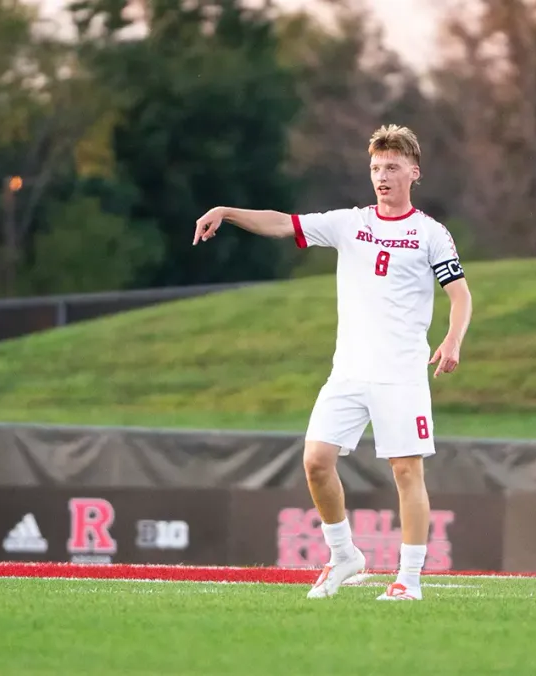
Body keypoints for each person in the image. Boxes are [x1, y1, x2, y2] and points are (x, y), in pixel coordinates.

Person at [193, 124, 472, 601]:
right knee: (316, 462)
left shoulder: (431, 234)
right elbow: (283, 222)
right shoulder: (351, 223)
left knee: (407, 472)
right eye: (375, 168)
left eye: (391, 167)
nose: (382, 176)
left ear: (413, 171)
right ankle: (344, 554)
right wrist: (227, 212)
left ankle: (408, 579)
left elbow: (460, 295)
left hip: (401, 374)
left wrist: (452, 339)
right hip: (348, 372)